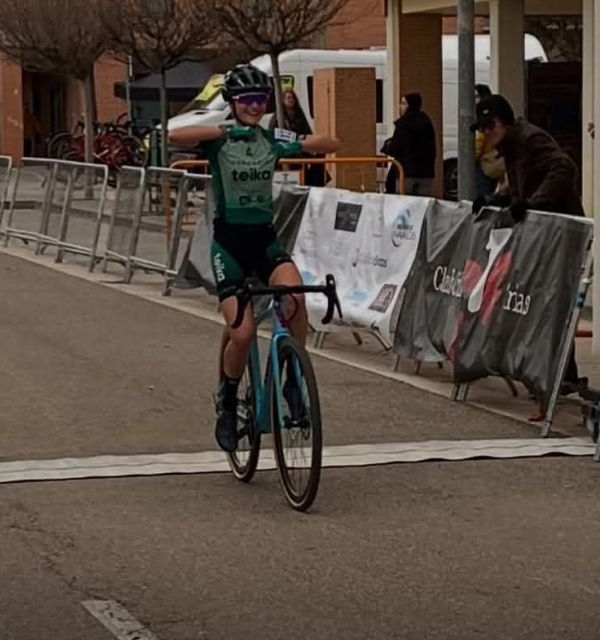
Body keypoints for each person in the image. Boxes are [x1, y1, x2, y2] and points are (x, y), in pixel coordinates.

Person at [169, 63, 340, 453]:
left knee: (296, 300)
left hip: (265, 241)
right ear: (232, 102)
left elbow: (332, 143)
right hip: (229, 245)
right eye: (246, 99)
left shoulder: (270, 139)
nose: (254, 106)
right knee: (243, 333)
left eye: (260, 100)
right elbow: (175, 135)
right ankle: (228, 400)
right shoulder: (220, 141)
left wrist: (286, 136)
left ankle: (292, 381)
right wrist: (224, 130)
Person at [469, 93, 586, 394]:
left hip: (561, 233)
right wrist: (495, 199)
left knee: (554, 302)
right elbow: (521, 186)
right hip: (544, 235)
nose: (484, 134)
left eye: (487, 127)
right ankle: (559, 373)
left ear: (500, 123)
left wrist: (535, 204)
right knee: (542, 302)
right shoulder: (512, 145)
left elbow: (563, 168)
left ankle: (562, 373)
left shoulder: (530, 139)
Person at [382, 92, 437, 196]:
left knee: (404, 202)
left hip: (406, 172)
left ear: (410, 105)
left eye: (404, 103)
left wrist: (388, 146)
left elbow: (398, 146)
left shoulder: (404, 124)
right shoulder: (426, 121)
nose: (400, 107)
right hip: (426, 173)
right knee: (421, 203)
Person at [281, 88, 327, 187]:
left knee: (320, 153)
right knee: (300, 156)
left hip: (302, 146)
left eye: (292, 98)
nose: (290, 100)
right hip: (288, 149)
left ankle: (316, 182)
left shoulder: (299, 115)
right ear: (283, 100)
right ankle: (306, 180)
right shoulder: (279, 117)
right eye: (288, 98)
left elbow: (308, 132)